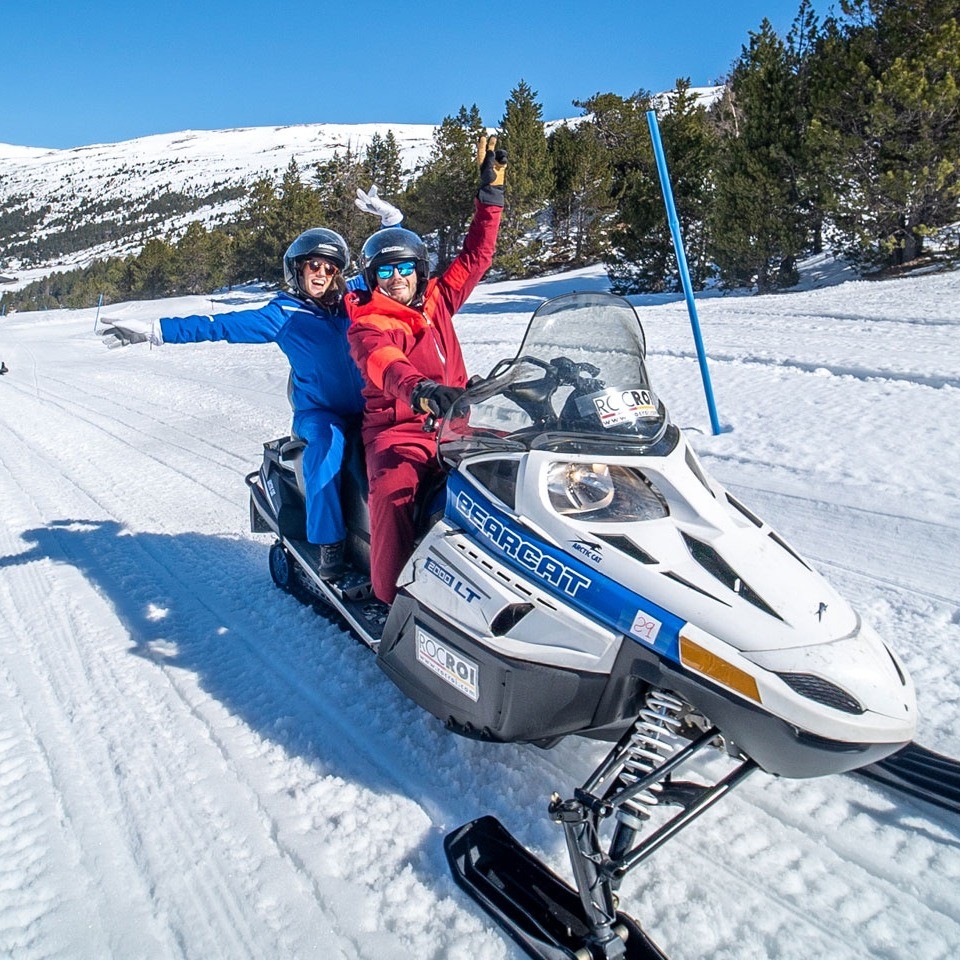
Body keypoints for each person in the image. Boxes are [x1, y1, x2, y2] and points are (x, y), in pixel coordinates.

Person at [97, 189, 401, 579]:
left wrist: (392, 223)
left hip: (366, 404)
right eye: (314, 266)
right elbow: (217, 326)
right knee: (326, 450)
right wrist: (156, 331)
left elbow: (392, 262)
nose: (322, 275)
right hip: (319, 413)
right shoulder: (282, 314)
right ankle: (330, 544)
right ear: (298, 269)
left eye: (330, 268)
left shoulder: (354, 297)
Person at [345, 135, 507, 604]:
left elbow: (477, 256)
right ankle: (390, 596)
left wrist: (490, 198)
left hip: (455, 424)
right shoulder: (369, 322)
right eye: (384, 273)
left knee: (519, 468)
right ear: (373, 278)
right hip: (399, 432)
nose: (396, 280)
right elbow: (384, 365)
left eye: (404, 269)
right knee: (395, 496)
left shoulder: (437, 300)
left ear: (419, 269)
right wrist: (421, 391)